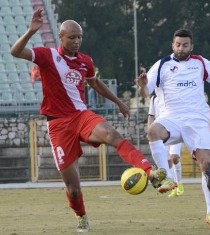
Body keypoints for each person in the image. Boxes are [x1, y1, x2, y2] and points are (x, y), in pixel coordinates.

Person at [10, 8, 165, 233]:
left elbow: (94, 83)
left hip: (81, 115)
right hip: (58, 125)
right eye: (71, 37)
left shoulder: (85, 61)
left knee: (112, 134)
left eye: (79, 37)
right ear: (61, 37)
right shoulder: (47, 55)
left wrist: (118, 102)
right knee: (73, 189)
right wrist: (31, 31)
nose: (76, 41)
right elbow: (15, 52)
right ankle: (82, 217)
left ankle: (149, 171)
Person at [136, 28, 210, 227]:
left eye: (185, 45)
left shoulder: (200, 63)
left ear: (191, 46)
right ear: (172, 45)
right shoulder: (162, 65)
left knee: (206, 165)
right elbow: (145, 93)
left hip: (197, 121)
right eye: (177, 44)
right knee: (152, 132)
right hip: (171, 118)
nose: (181, 48)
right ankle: (165, 177)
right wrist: (141, 85)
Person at [148, 93, 184, 197]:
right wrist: (150, 131)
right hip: (161, 133)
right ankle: (173, 184)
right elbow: (151, 116)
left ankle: (180, 183)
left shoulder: (173, 93)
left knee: (174, 158)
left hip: (174, 130)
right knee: (167, 162)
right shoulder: (154, 98)